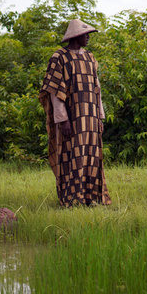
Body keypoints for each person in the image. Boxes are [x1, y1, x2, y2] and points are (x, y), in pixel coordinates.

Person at [39, 19, 112, 207]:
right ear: (76, 36)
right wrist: (63, 120)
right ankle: (71, 199)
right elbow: (54, 92)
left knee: (92, 156)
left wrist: (100, 117)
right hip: (72, 118)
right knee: (71, 157)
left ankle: (91, 198)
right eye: (85, 34)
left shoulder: (90, 57)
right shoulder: (59, 58)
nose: (88, 37)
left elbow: (97, 88)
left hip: (91, 117)